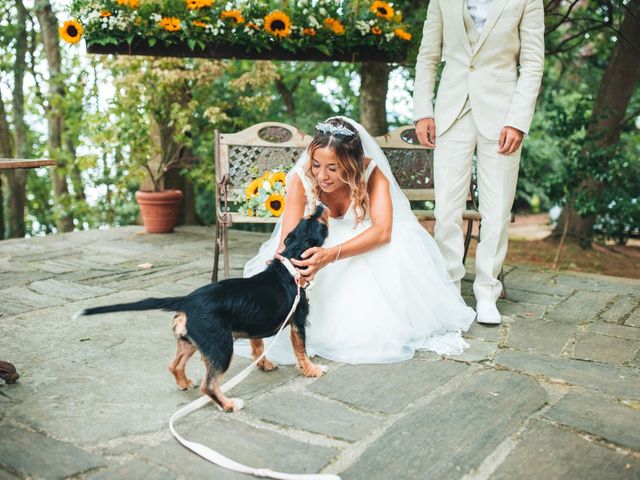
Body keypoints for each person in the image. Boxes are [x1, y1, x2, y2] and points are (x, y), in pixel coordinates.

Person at [236, 116, 475, 366]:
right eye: (316, 164)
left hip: (368, 240)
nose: (321, 176)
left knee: (388, 265)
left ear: (352, 163)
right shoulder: (301, 178)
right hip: (322, 244)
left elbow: (383, 231)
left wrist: (331, 255)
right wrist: (292, 269)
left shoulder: (372, 174)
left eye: (333, 167)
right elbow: (288, 237)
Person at [413, 0, 545, 324]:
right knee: (446, 209)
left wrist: (517, 120)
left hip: (502, 115)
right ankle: (449, 290)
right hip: (451, 111)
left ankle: (487, 292)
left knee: (497, 210)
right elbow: (428, 57)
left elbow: (532, 62)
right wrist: (423, 112)